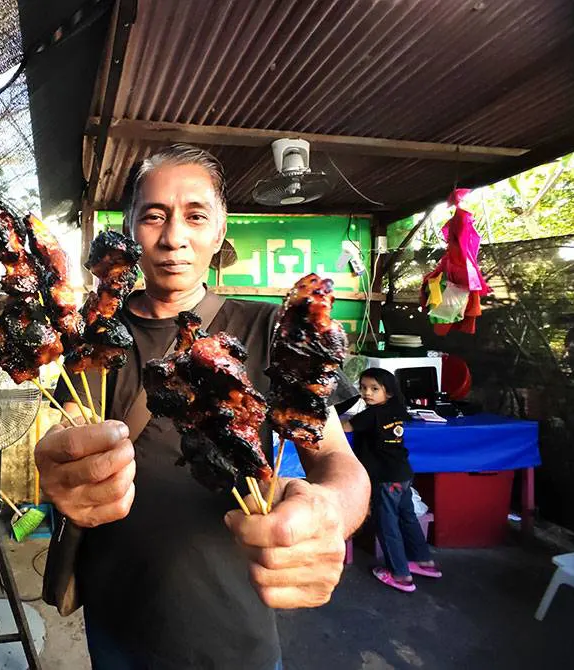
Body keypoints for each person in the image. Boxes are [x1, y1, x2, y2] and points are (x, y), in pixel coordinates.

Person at [36, 144, 370, 668]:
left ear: (219, 230)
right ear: (130, 230)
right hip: (115, 621)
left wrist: (330, 513)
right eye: (153, 216)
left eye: (195, 216)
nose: (173, 238)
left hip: (236, 630)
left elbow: (337, 464)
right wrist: (55, 476)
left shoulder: (270, 331)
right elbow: (61, 443)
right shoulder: (93, 337)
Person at [341, 368, 442, 593]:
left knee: (387, 524)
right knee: (408, 518)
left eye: (374, 389)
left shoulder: (370, 415)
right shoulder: (395, 411)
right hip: (403, 475)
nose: (367, 393)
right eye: (364, 387)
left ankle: (400, 574)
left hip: (385, 478)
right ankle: (423, 561)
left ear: (389, 392)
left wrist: (329, 413)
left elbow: (343, 428)